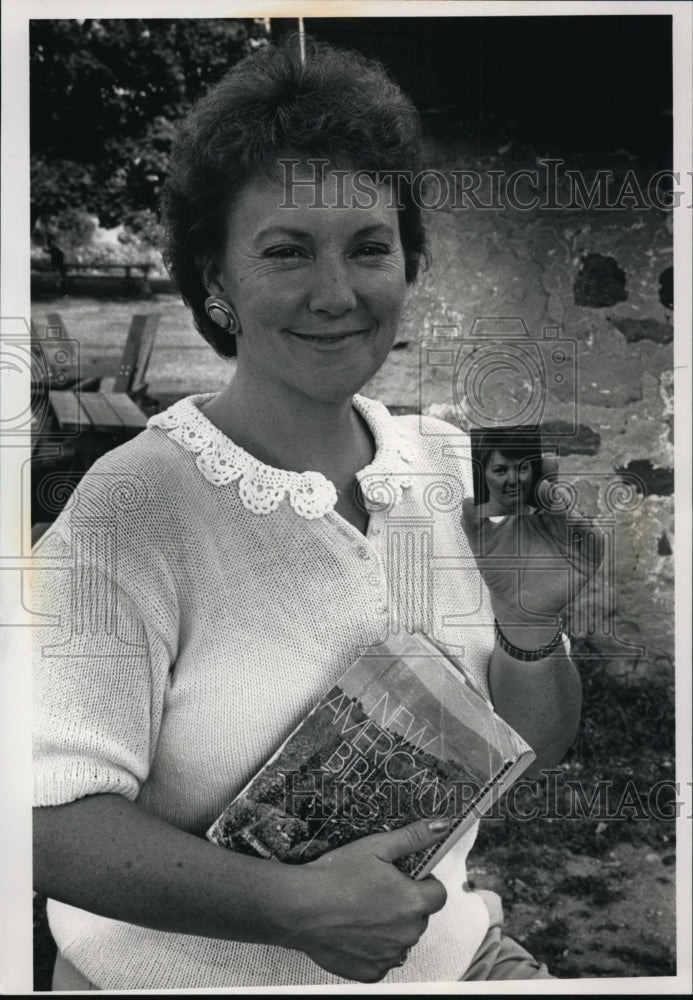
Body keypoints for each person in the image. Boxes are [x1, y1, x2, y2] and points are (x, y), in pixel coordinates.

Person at [32, 37, 601, 990]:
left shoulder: (453, 469)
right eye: (286, 252)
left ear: (408, 263)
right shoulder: (131, 512)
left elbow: (530, 755)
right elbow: (39, 822)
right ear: (216, 279)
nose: (336, 294)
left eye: (369, 248)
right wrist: (287, 907)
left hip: (449, 958)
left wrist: (531, 633)